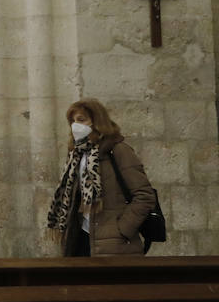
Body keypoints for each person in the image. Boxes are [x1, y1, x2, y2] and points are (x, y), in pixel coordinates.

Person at [47, 99, 157, 257]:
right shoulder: (77, 154)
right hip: (81, 239)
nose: (75, 125)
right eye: (72, 121)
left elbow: (144, 195)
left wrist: (122, 230)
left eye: (81, 119)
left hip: (112, 244)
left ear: (97, 121)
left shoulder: (118, 150)